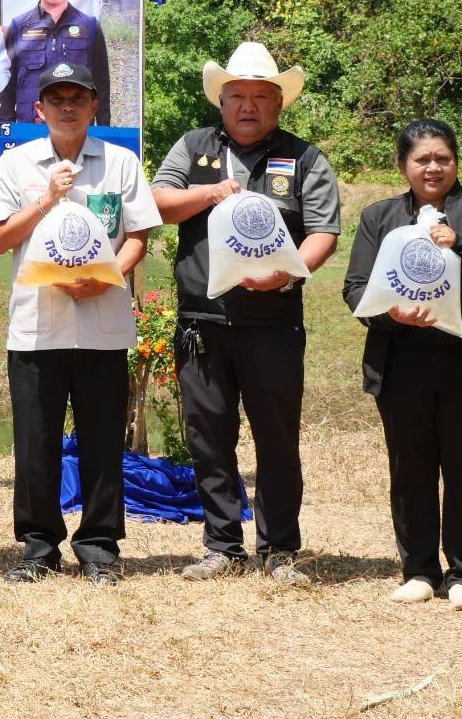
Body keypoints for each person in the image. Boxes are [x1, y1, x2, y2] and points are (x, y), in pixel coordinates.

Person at [151, 42, 341, 586]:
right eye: (238, 96)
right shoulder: (192, 148)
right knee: (208, 436)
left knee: (276, 437)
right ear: (222, 101)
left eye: (261, 96)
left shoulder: (306, 159)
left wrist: (287, 274)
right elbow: (159, 203)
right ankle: (222, 546)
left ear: (278, 104)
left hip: (274, 323)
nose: (249, 106)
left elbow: (323, 232)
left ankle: (280, 548)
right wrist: (211, 193)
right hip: (202, 324)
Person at [342, 119, 462, 610]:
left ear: (456, 162)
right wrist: (392, 314)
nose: (433, 167)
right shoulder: (379, 217)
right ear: (403, 165)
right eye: (421, 159)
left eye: (442, 158)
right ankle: (420, 571)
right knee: (411, 468)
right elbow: (355, 288)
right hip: (402, 362)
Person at [0, 63, 160, 586]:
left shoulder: (120, 163)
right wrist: (47, 198)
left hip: (102, 322)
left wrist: (108, 278)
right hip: (38, 325)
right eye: (56, 98)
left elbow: (136, 237)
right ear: (39, 110)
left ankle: (100, 547)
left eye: (77, 98)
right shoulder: (17, 165)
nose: (67, 107)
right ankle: (38, 548)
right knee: (35, 440)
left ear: (93, 108)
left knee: (103, 441)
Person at [1, 0, 110, 125]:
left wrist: (104, 129)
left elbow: (102, 83)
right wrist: (6, 129)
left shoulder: (90, 26)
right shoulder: (18, 27)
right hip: (30, 128)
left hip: (76, 128)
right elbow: (6, 84)